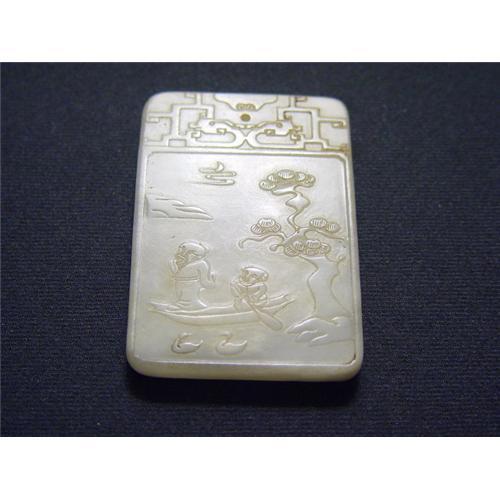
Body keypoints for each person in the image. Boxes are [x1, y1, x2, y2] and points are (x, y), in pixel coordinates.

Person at [170, 241, 215, 310]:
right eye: (199, 256)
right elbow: (206, 284)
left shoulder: (176, 265)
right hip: (193, 302)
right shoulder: (201, 264)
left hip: (181, 299)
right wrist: (213, 279)